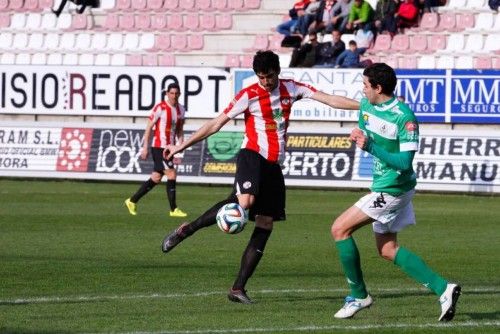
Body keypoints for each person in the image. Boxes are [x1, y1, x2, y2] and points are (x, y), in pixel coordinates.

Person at [161, 50, 359, 304]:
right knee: (244, 203)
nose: (265, 81)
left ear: (278, 71)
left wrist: (364, 105)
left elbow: (329, 99)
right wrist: (180, 146)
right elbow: (215, 123)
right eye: (261, 77)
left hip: (274, 166)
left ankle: (238, 288)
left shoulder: (292, 89)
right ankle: (185, 231)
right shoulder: (249, 95)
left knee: (265, 223)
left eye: (269, 76)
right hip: (252, 154)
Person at [331, 63, 461, 320]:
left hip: (393, 190)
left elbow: (404, 162)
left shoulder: (404, 118)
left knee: (339, 229)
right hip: (388, 186)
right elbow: (336, 102)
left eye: (366, 85)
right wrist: (306, 93)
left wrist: (369, 147)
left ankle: (358, 296)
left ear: (378, 88)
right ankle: (443, 289)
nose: (363, 89)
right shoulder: (368, 105)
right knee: (387, 249)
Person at [124, 83, 188, 218]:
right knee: (171, 174)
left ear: (180, 94)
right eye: (171, 93)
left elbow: (180, 129)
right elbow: (149, 127)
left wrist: (180, 144)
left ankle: (132, 200)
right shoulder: (161, 108)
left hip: (169, 148)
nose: (174, 96)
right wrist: (145, 147)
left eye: (176, 93)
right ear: (167, 94)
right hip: (159, 147)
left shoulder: (181, 109)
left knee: (156, 177)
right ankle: (173, 209)